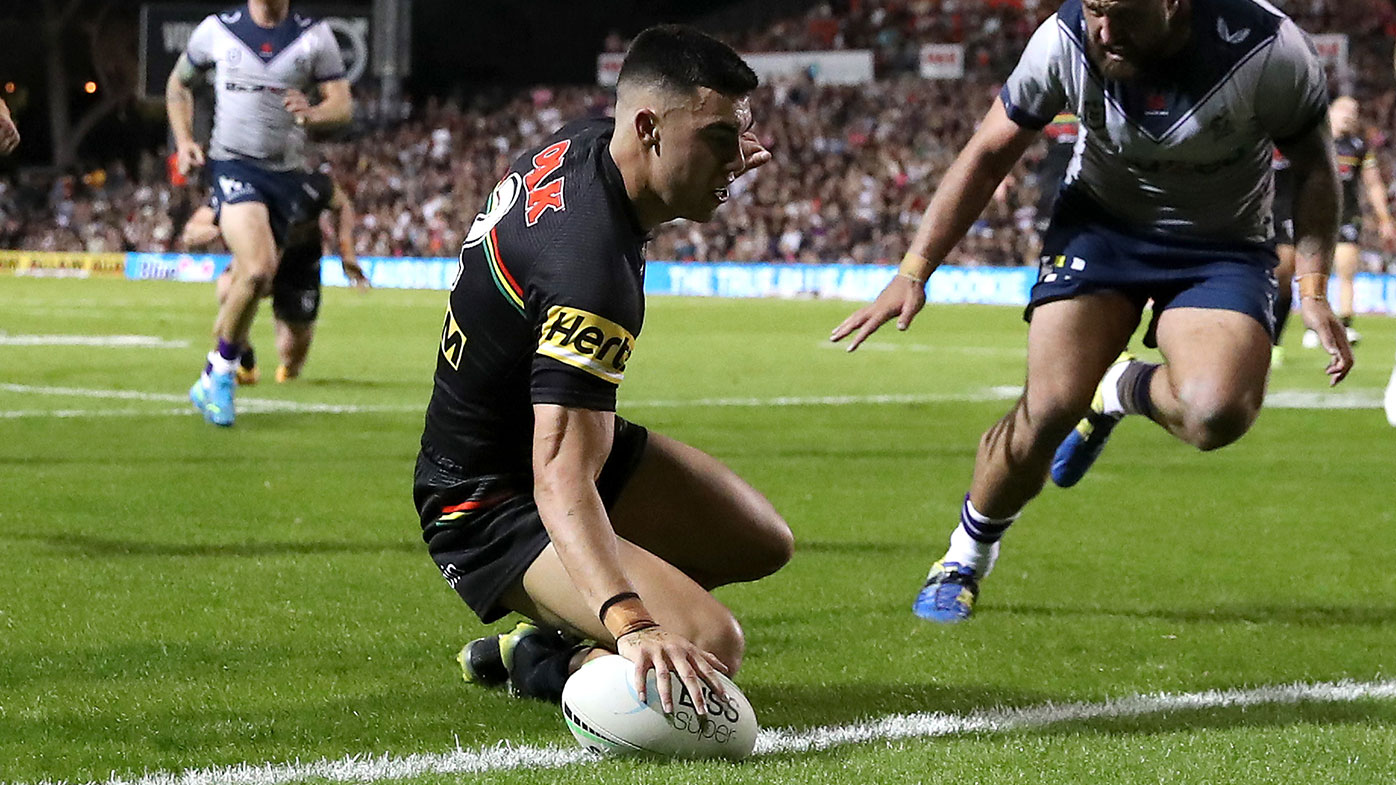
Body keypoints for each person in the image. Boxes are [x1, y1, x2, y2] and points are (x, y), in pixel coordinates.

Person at [831, 0, 1353, 624]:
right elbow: (990, 150)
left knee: (1216, 416)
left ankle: (1117, 388)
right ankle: (963, 558)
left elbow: (1317, 166)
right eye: (1097, 9)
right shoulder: (1063, 41)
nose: (1104, 30)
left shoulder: (1268, 48)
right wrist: (913, 271)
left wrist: (1316, 289)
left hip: (1223, 244)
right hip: (1100, 232)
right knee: (1049, 407)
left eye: (1124, 14)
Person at [414, 25, 791, 712]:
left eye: (744, 133)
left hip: (539, 448)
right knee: (710, 641)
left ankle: (563, 615)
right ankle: (549, 655)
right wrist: (632, 622)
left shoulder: (595, 144)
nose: (739, 157)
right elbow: (558, 474)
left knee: (761, 541)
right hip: (484, 499)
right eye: (718, 137)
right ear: (648, 128)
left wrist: (721, 155)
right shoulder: (589, 268)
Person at [166, 0, 352, 426]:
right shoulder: (217, 31)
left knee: (260, 279)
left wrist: (313, 114)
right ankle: (222, 374)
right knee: (256, 269)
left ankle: (216, 369)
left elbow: (342, 105)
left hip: (284, 177)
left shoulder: (314, 37)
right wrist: (184, 141)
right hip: (233, 166)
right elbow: (178, 84)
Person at [181, 169, 368, 384]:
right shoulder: (249, 186)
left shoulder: (314, 185)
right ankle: (244, 362)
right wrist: (217, 229)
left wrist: (347, 253)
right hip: (260, 258)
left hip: (300, 264)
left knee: (292, 353)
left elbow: (342, 205)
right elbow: (195, 226)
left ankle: (288, 371)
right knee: (227, 290)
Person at [1299, 96, 1395, 349]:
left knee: (1346, 269)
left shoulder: (1359, 147)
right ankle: (1312, 325)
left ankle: (1345, 325)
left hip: (1346, 215)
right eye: (1343, 109)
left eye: (1353, 111)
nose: (1349, 115)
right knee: (1315, 270)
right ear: (1329, 111)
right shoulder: (1314, 141)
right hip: (1312, 214)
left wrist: (1384, 219)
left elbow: (1373, 184)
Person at [1268, 148, 1296, 367]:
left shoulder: (1291, 128)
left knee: (1284, 275)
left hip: (1285, 209)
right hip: (1252, 205)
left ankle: (1274, 341)